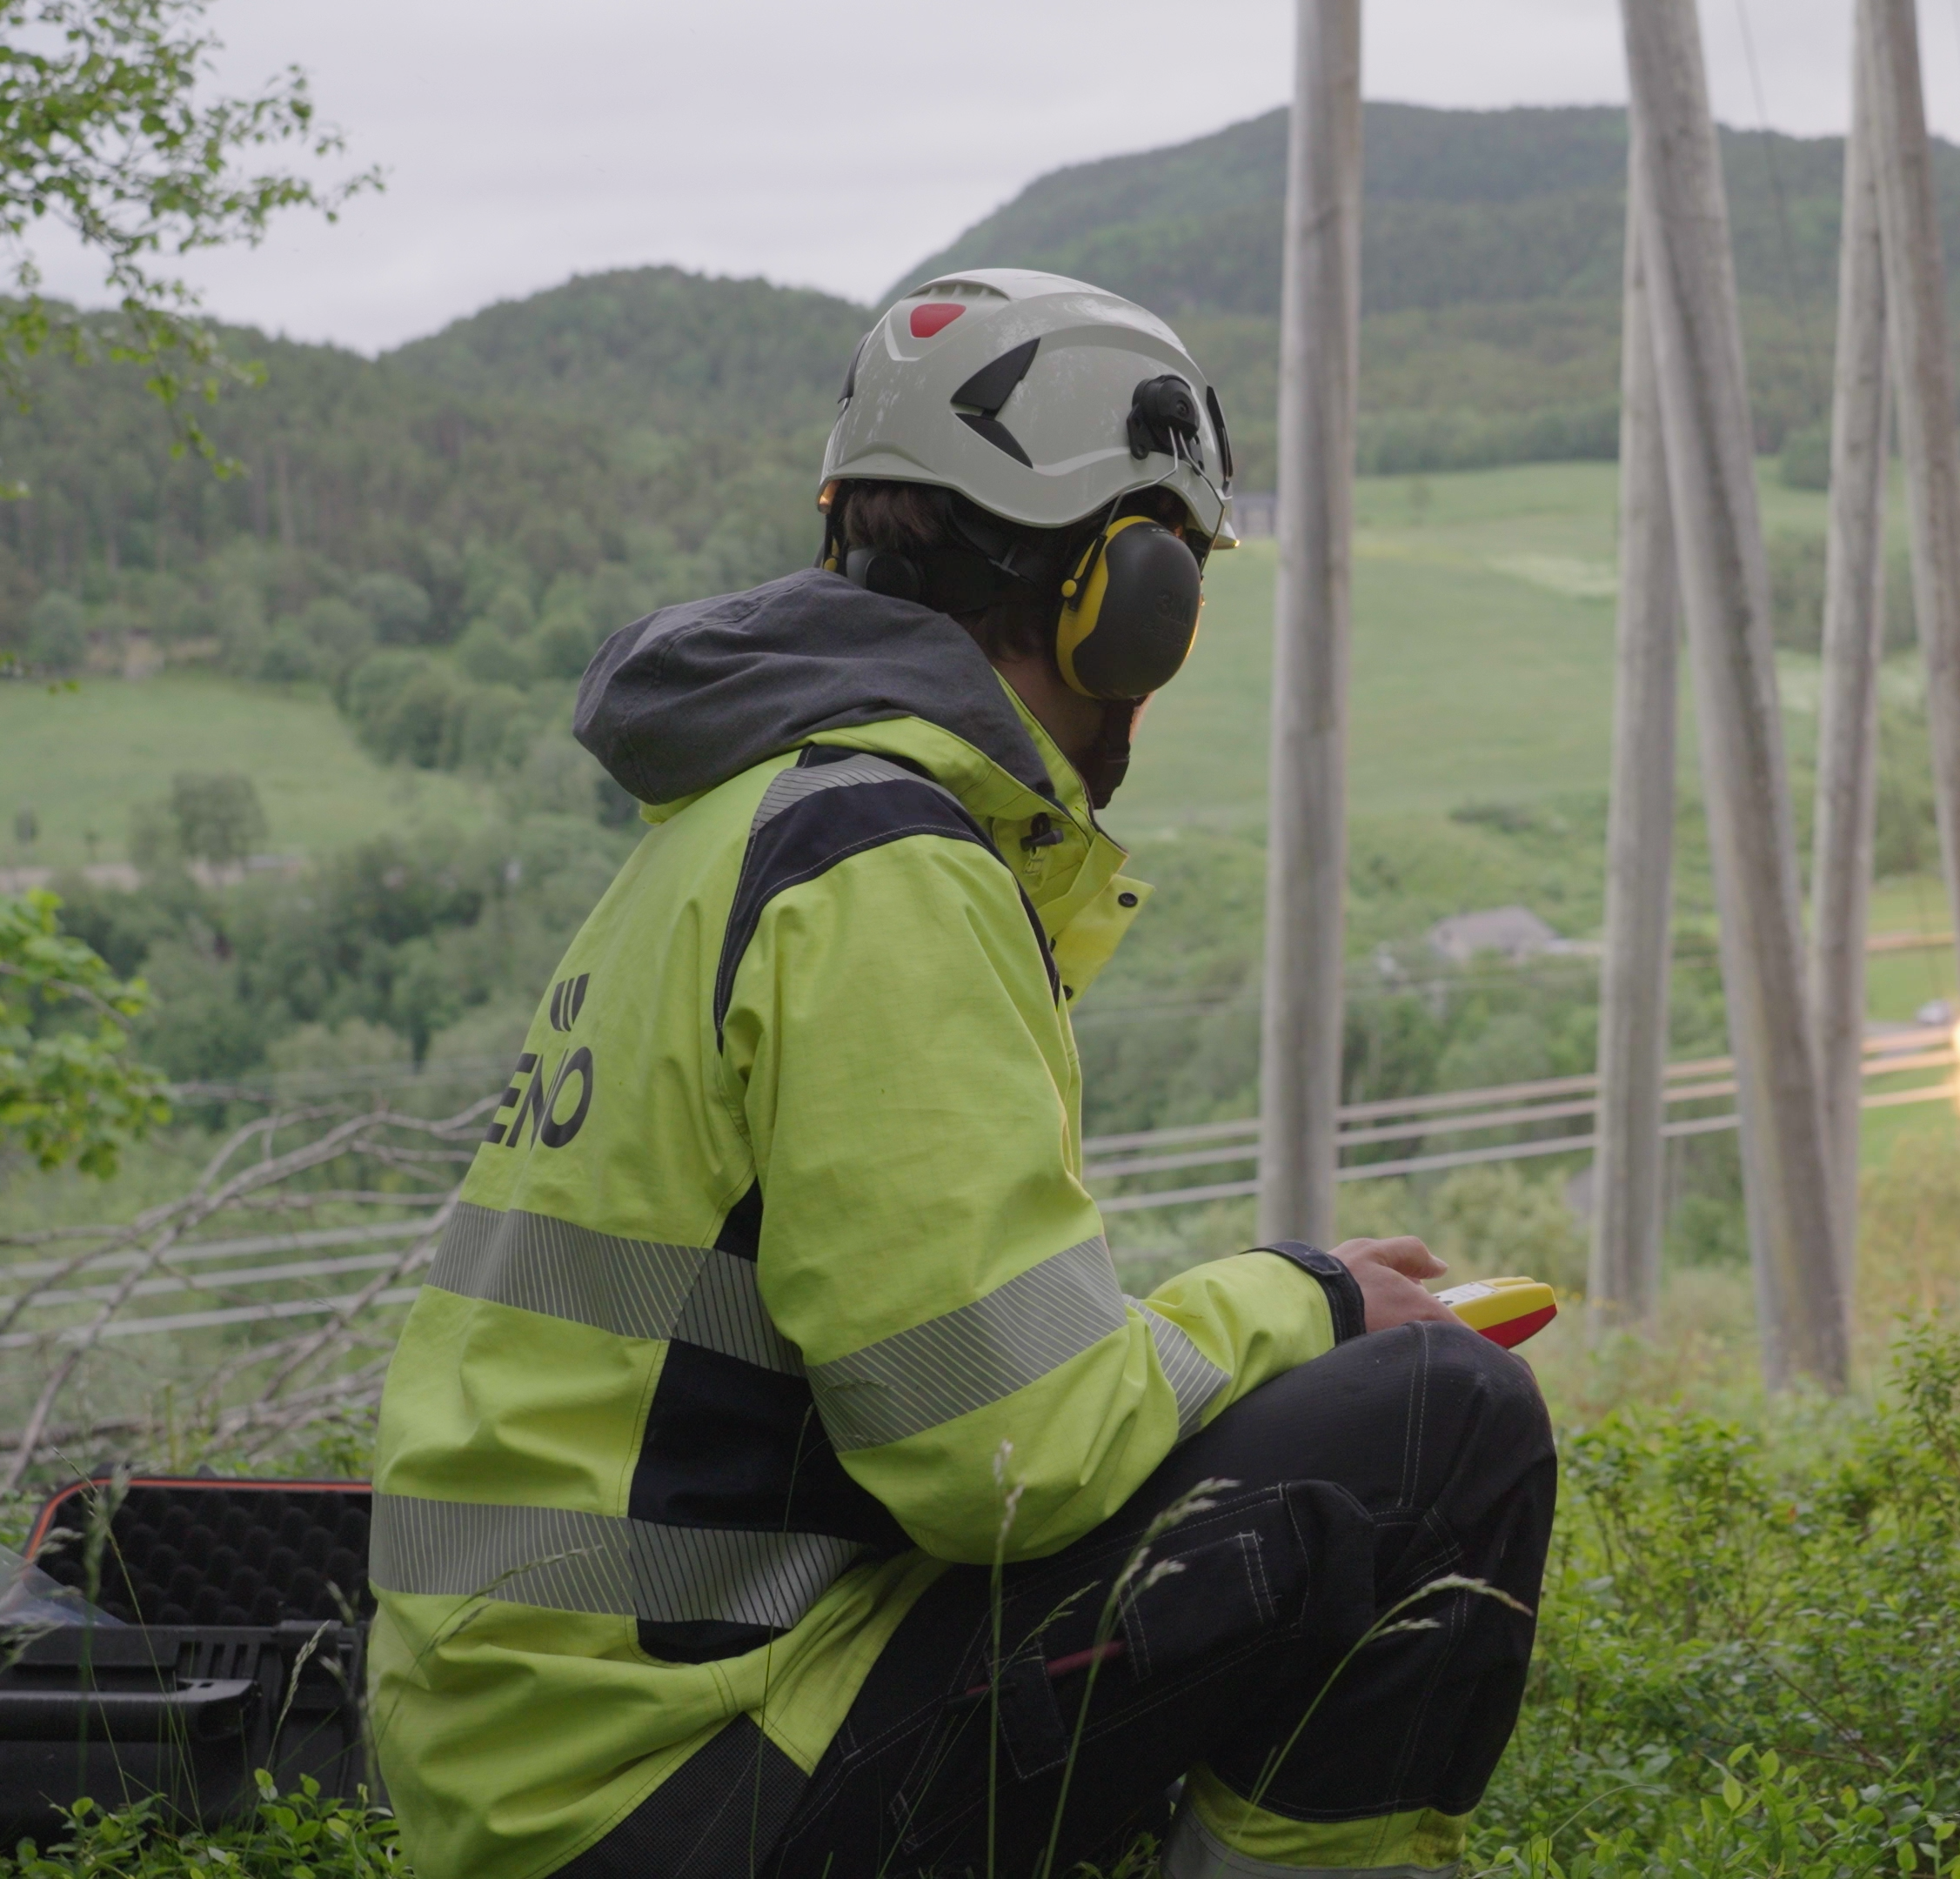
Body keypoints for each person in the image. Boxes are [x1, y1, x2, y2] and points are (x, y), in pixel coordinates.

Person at [366, 269, 1555, 1879]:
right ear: (1123, 592)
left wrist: (1285, 1313)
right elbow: (1011, 1455)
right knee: (1442, 1424)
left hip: (552, 1775)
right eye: (1177, 589)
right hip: (665, 1800)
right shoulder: (886, 867)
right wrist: (1310, 1303)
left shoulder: (748, 822)